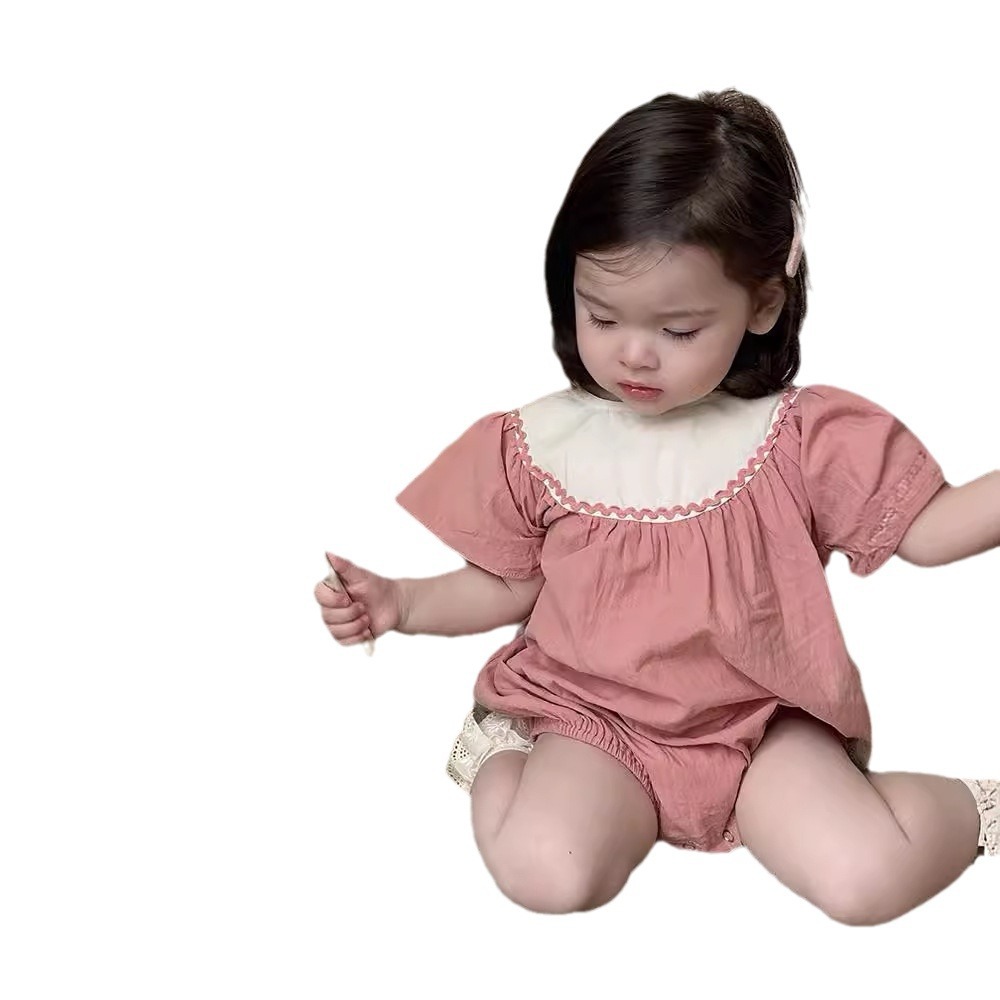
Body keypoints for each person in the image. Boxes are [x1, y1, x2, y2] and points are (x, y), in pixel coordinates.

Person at [314, 88, 1000, 925]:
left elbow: (929, 529)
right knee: (550, 874)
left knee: (865, 880)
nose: (634, 354)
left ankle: (978, 810)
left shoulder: (798, 436)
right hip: (592, 716)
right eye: (601, 316)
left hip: (763, 722)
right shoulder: (546, 443)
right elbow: (509, 583)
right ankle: (507, 753)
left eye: (678, 331)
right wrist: (402, 602)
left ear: (763, 304)